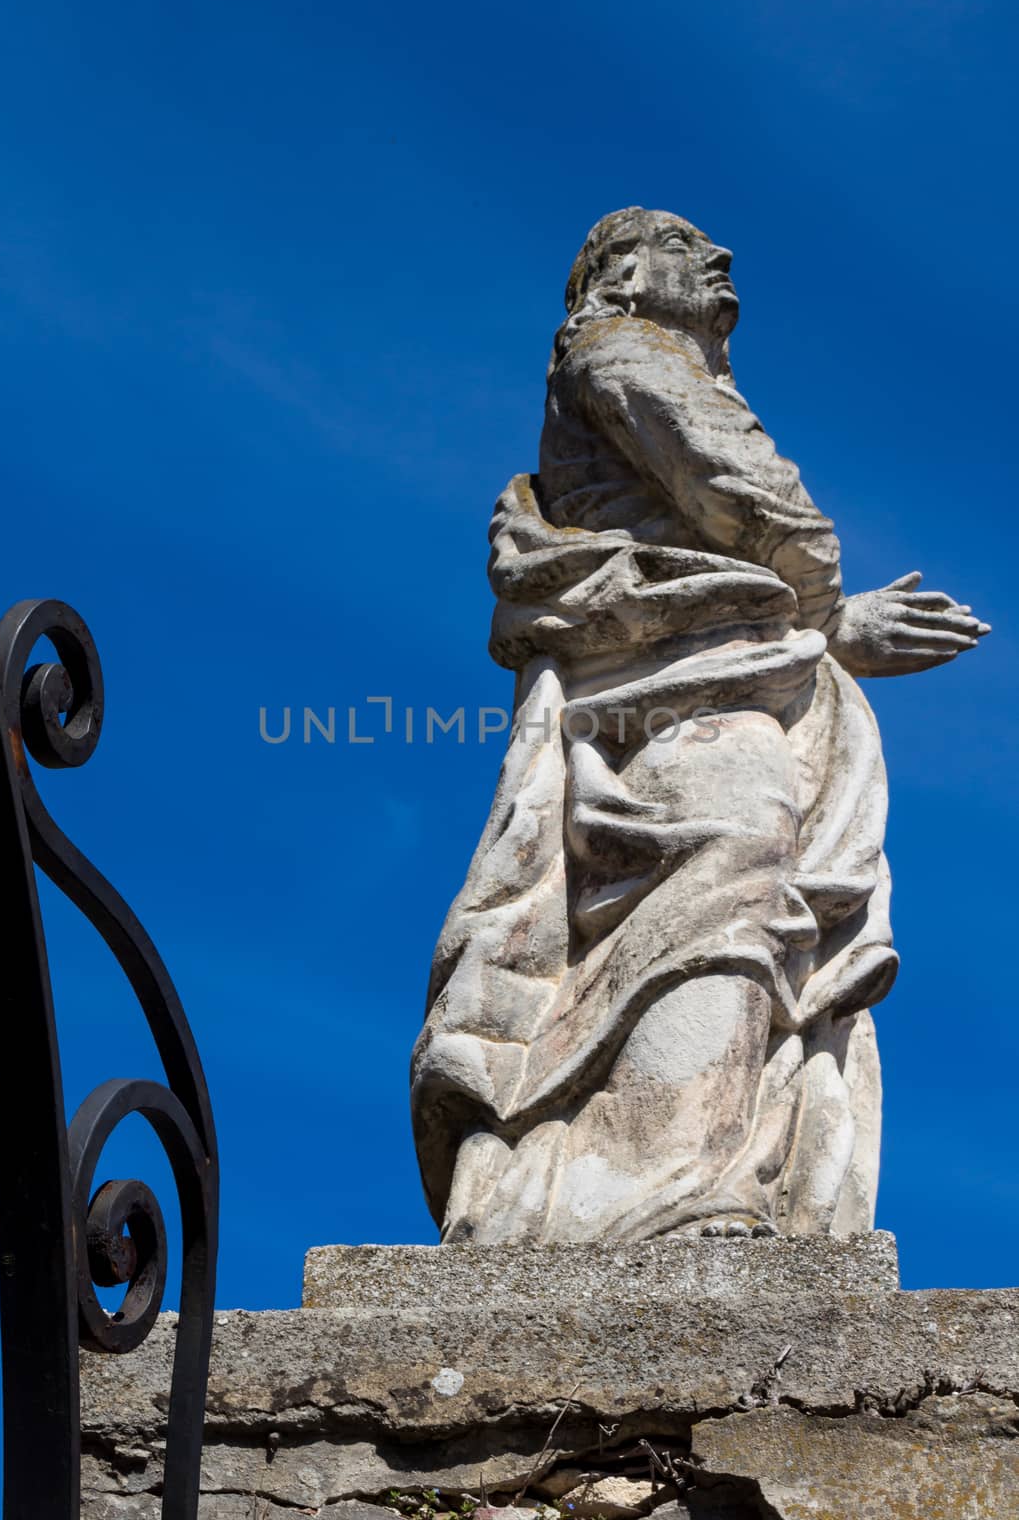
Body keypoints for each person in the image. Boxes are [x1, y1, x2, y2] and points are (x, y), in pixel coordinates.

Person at [411, 208, 989, 1243]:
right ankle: (667, 1188)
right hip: (681, 699)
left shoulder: (637, 364)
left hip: (703, 682)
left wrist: (828, 626)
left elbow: (740, 564)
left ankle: (673, 1173)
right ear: (621, 276)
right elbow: (760, 507)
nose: (716, 258)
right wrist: (817, 596)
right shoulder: (619, 349)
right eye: (683, 246)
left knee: (741, 901)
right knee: (726, 884)